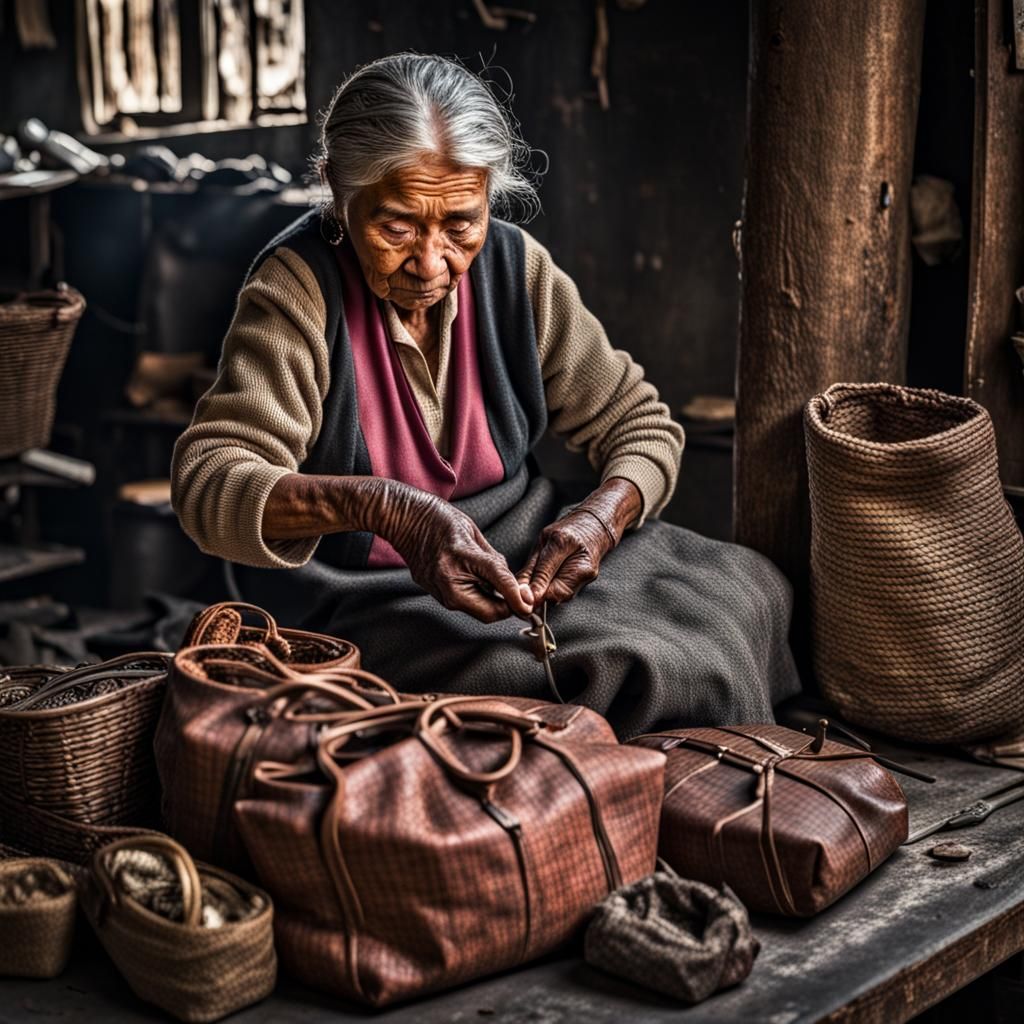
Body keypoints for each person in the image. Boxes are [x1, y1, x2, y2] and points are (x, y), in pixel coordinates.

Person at [172, 53, 799, 737]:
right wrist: (389, 509)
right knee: (620, 664)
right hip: (363, 591)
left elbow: (642, 426)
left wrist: (599, 521)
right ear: (335, 191)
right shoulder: (299, 290)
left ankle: (730, 786)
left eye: (461, 224)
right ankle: (652, 811)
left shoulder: (514, 269)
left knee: (747, 587)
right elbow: (209, 482)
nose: (433, 262)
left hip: (525, 541)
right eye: (397, 226)